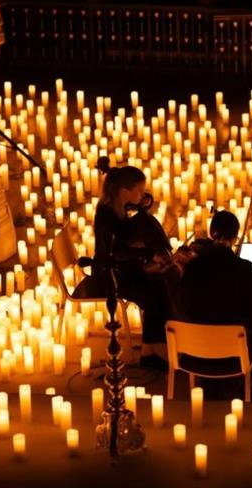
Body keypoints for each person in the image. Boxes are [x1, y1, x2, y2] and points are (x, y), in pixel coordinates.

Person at [93, 158, 173, 370]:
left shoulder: (121, 204)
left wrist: (144, 201)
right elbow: (115, 251)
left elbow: (138, 207)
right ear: (124, 190)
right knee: (154, 295)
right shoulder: (106, 216)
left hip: (124, 267)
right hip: (110, 274)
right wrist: (148, 254)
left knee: (161, 287)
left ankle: (153, 346)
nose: (143, 194)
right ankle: (150, 351)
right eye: (140, 191)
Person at [180, 210, 252, 383]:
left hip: (196, 349)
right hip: (234, 351)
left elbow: (183, 307)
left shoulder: (193, 267)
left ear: (211, 233)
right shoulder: (246, 268)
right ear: (236, 238)